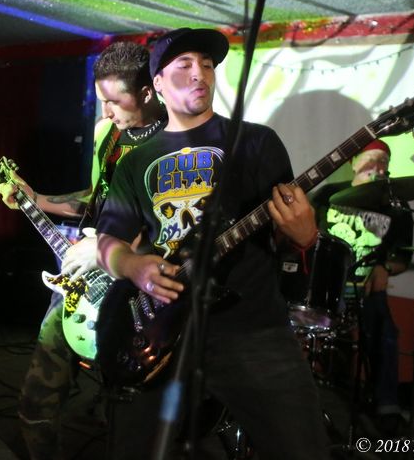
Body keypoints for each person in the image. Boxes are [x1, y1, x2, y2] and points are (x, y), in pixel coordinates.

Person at [95, 27, 331, 460]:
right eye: (184, 64)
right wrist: (134, 267)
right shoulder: (136, 161)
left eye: (206, 64)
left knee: (302, 449)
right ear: (157, 84)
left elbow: (285, 235)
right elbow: (108, 241)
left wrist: (304, 236)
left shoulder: (256, 142)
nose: (199, 73)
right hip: (161, 328)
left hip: (252, 328)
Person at [0, 40, 166, 460]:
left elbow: (168, 227)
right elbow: (94, 199)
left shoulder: (172, 142)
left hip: (135, 291)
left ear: (146, 93)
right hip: (83, 280)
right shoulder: (107, 133)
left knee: (132, 411)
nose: (106, 111)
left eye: (114, 101)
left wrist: (117, 254)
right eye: (101, 99)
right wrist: (36, 198)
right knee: (38, 395)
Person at [310, 139, 412, 435]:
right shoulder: (328, 195)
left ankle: (387, 406)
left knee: (385, 333)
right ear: (353, 162)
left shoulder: (396, 206)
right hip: (326, 285)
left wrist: (384, 268)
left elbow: (403, 258)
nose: (377, 166)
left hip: (365, 288)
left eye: (384, 161)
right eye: (371, 158)